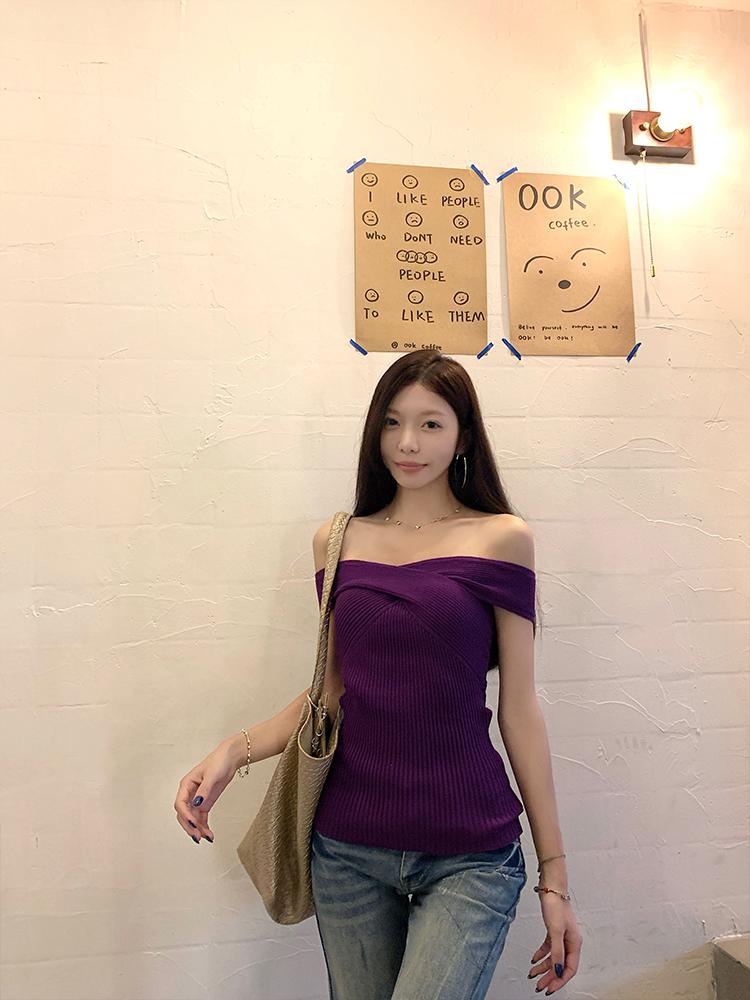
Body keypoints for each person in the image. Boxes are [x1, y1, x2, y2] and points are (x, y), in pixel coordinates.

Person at [174, 349, 583, 999]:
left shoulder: (503, 538)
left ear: (463, 437)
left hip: (470, 851)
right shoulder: (337, 541)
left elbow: (519, 709)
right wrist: (233, 751)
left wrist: (554, 877)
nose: (407, 442)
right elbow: (334, 691)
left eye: (430, 424)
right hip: (348, 850)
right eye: (392, 422)